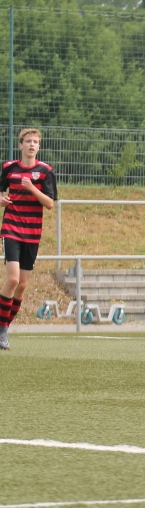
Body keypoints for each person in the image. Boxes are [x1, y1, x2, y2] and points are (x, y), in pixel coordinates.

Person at [0, 129, 57, 351]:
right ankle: (2, 331)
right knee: (13, 279)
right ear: (20, 145)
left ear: (38, 147)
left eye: (35, 142)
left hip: (32, 233)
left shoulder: (45, 171)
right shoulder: (9, 167)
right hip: (11, 228)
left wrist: (32, 187)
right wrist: (1, 199)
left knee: (22, 285)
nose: (32, 145)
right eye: (28, 141)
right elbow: (0, 190)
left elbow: (50, 203)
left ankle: (4, 326)